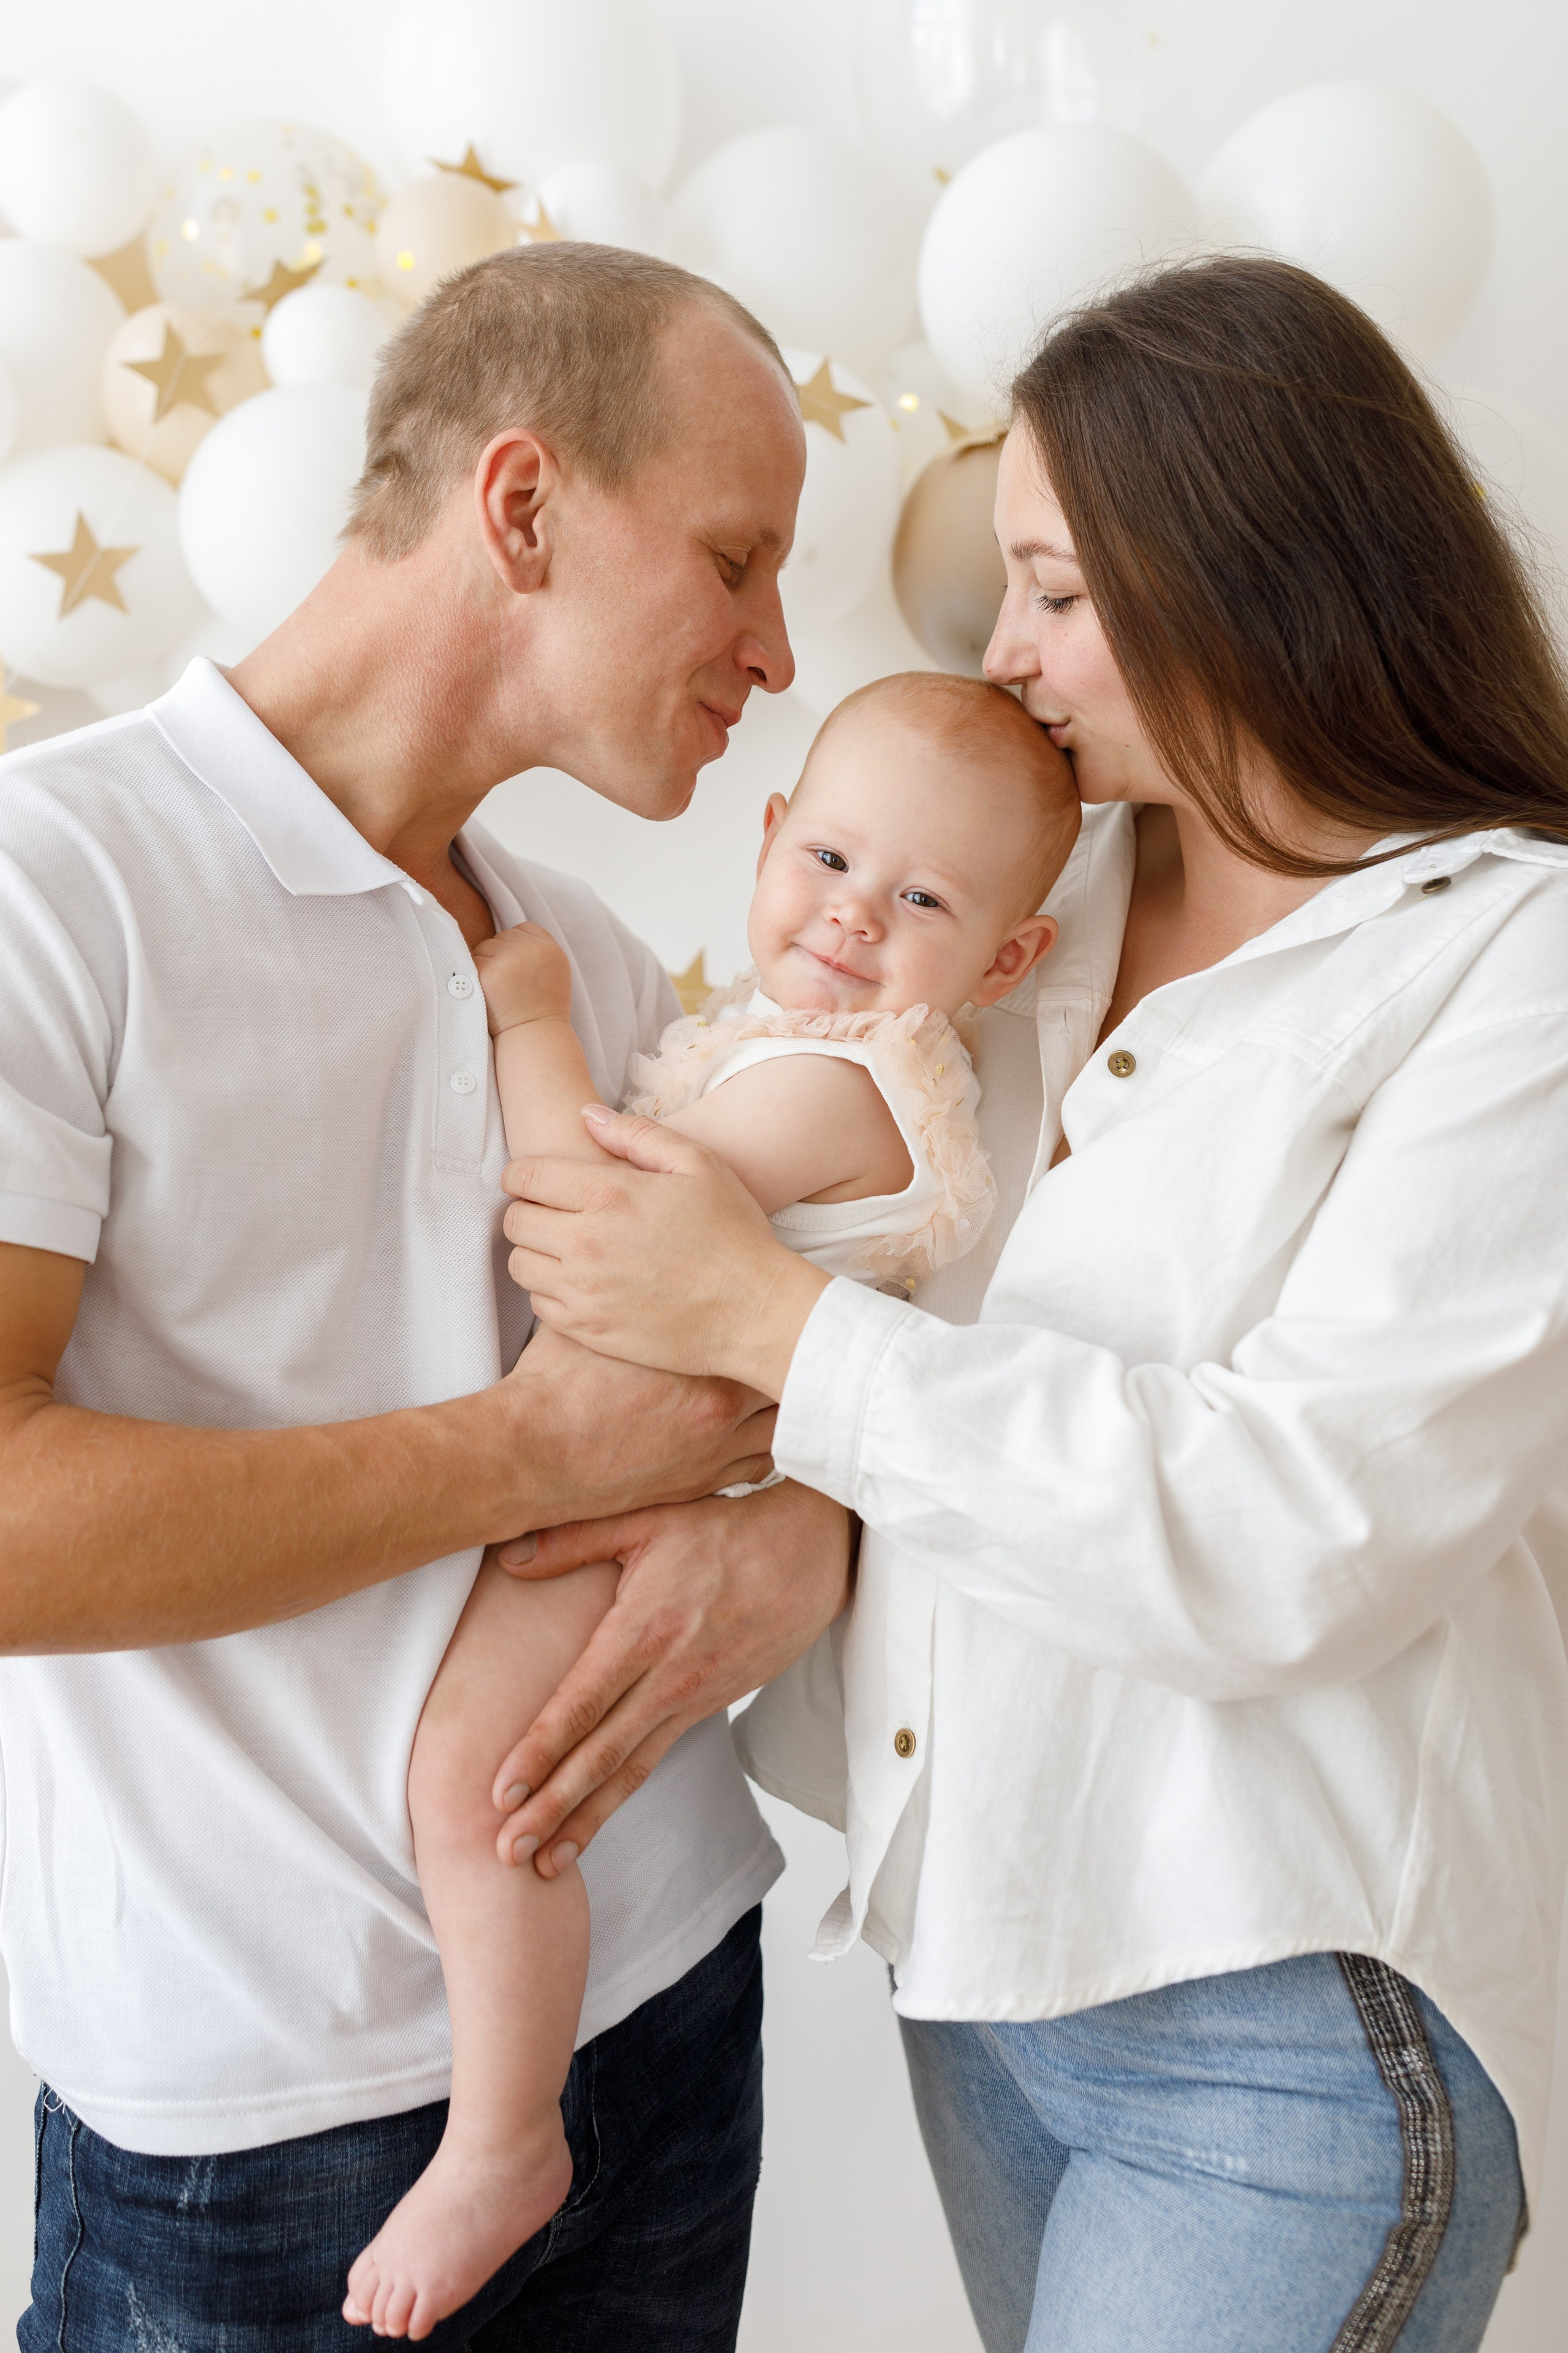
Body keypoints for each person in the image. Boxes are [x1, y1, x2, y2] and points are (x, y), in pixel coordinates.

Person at [491, 256, 1568, 2353]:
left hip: (1282, 2008)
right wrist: (799, 1516)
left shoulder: (1505, 962)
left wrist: (772, 1334)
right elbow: (917, 1291)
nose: (1003, 651)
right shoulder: (1025, 899)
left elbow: (1295, 1531)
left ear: (1250, 573)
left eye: (1059, 590)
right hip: (976, 1958)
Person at [0, 243, 856, 2352]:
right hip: (257, 2131)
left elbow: (781, 1383)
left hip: (666, 1999)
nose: (776, 645)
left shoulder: (588, 962)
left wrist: (803, 1540)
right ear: (523, 503)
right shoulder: (51, 885)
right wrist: (530, 1451)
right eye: (735, 559)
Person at [344, 671, 1080, 2339]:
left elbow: (591, 1225)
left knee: (475, 1782)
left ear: (1008, 959)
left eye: (924, 901)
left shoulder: (838, 1084)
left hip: (653, 1477)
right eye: (829, 858)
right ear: (768, 839)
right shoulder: (806, 1052)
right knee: (485, 1776)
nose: (854, 915)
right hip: (673, 1459)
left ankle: (503, 2138)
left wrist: (530, 1016)